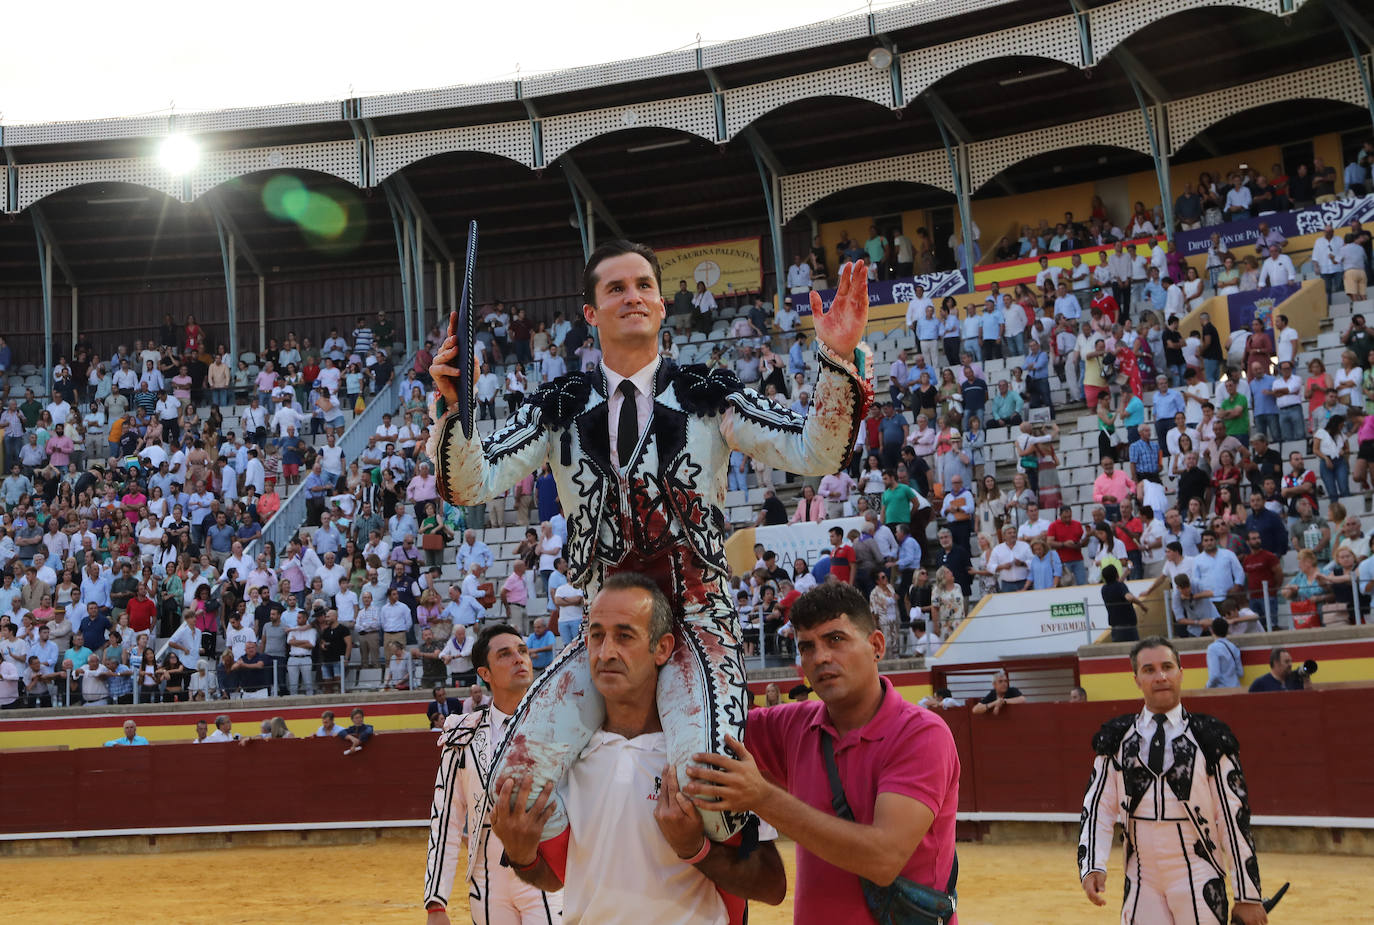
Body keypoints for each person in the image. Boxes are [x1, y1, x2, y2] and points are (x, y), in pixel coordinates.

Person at [430, 241, 872, 844]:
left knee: (714, 794)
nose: (632, 297)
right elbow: (470, 484)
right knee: (515, 793)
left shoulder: (708, 394)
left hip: (696, 623)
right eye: (615, 289)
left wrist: (837, 355)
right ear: (590, 313)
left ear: (662, 305)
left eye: (643, 286)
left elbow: (816, 451)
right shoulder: (558, 407)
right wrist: (454, 410)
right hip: (606, 632)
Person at [487, 574, 786, 923]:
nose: (605, 652)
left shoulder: (709, 754)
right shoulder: (560, 760)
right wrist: (523, 857)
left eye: (625, 636)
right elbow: (557, 877)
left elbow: (772, 885)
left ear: (661, 648)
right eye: (596, 636)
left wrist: (696, 849)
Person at [683, 581, 959, 925]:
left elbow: (884, 859)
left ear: (876, 645)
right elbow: (706, 729)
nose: (821, 657)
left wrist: (762, 798)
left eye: (836, 639)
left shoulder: (921, 734)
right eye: (807, 647)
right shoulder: (792, 726)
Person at [1079, 636, 1267, 924]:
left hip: (1198, 869)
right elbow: (1098, 806)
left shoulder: (1210, 736)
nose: (1160, 676)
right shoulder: (1116, 738)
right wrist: (1092, 864)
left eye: (1167, 667)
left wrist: (1247, 894)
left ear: (1181, 672)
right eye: (1149, 670)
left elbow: (1232, 817)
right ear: (1137, 679)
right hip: (1141, 874)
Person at [424, 624, 564, 924]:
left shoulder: (563, 725)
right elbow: (446, 817)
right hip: (487, 878)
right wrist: (436, 901)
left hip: (548, 870)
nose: (519, 659)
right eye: (505, 654)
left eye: (522, 651)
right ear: (485, 674)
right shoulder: (463, 735)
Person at [1100, 564, 1146, 642]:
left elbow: (1115, 587)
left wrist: (1124, 575)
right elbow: (1129, 597)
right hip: (1128, 626)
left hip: (1115, 627)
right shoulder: (1120, 586)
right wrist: (1141, 605)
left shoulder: (1104, 589)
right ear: (1116, 574)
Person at [1205, 618, 1244, 689]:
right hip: (1236, 688)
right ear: (1227, 630)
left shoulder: (1212, 648)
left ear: (1212, 630)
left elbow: (1215, 675)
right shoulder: (1233, 647)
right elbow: (1240, 672)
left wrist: (1207, 687)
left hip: (1222, 690)